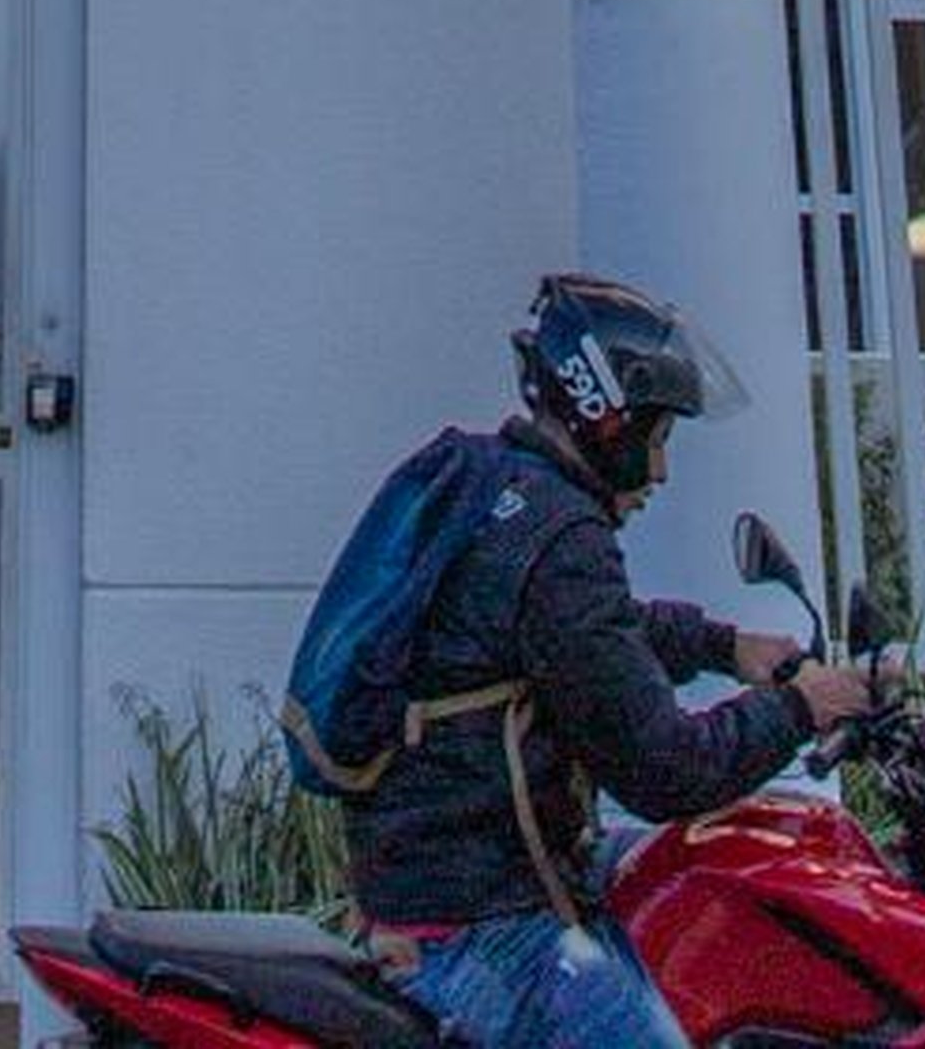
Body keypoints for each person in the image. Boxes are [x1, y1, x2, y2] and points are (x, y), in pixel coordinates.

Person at [341, 275, 884, 1049]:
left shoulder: (504, 493)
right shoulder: (561, 537)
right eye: (658, 438)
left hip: (436, 879)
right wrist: (803, 708)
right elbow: (666, 769)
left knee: (692, 879)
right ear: (610, 421)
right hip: (486, 917)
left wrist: (729, 648)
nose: (659, 472)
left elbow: (597, 637)